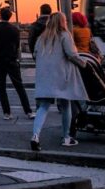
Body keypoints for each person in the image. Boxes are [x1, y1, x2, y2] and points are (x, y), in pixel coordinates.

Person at [30, 12, 88, 150]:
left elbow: (35, 54)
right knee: (66, 104)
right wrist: (84, 63)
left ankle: (35, 136)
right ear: (62, 22)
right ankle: (66, 137)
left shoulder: (42, 38)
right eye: (65, 21)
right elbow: (71, 54)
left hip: (45, 76)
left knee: (43, 107)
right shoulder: (65, 35)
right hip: (62, 75)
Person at [0, 7, 35, 120]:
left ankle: (7, 112)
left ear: (0, 16)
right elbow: (17, 45)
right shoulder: (15, 30)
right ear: (10, 17)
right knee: (19, 86)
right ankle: (28, 111)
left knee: (2, 87)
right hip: (11, 60)